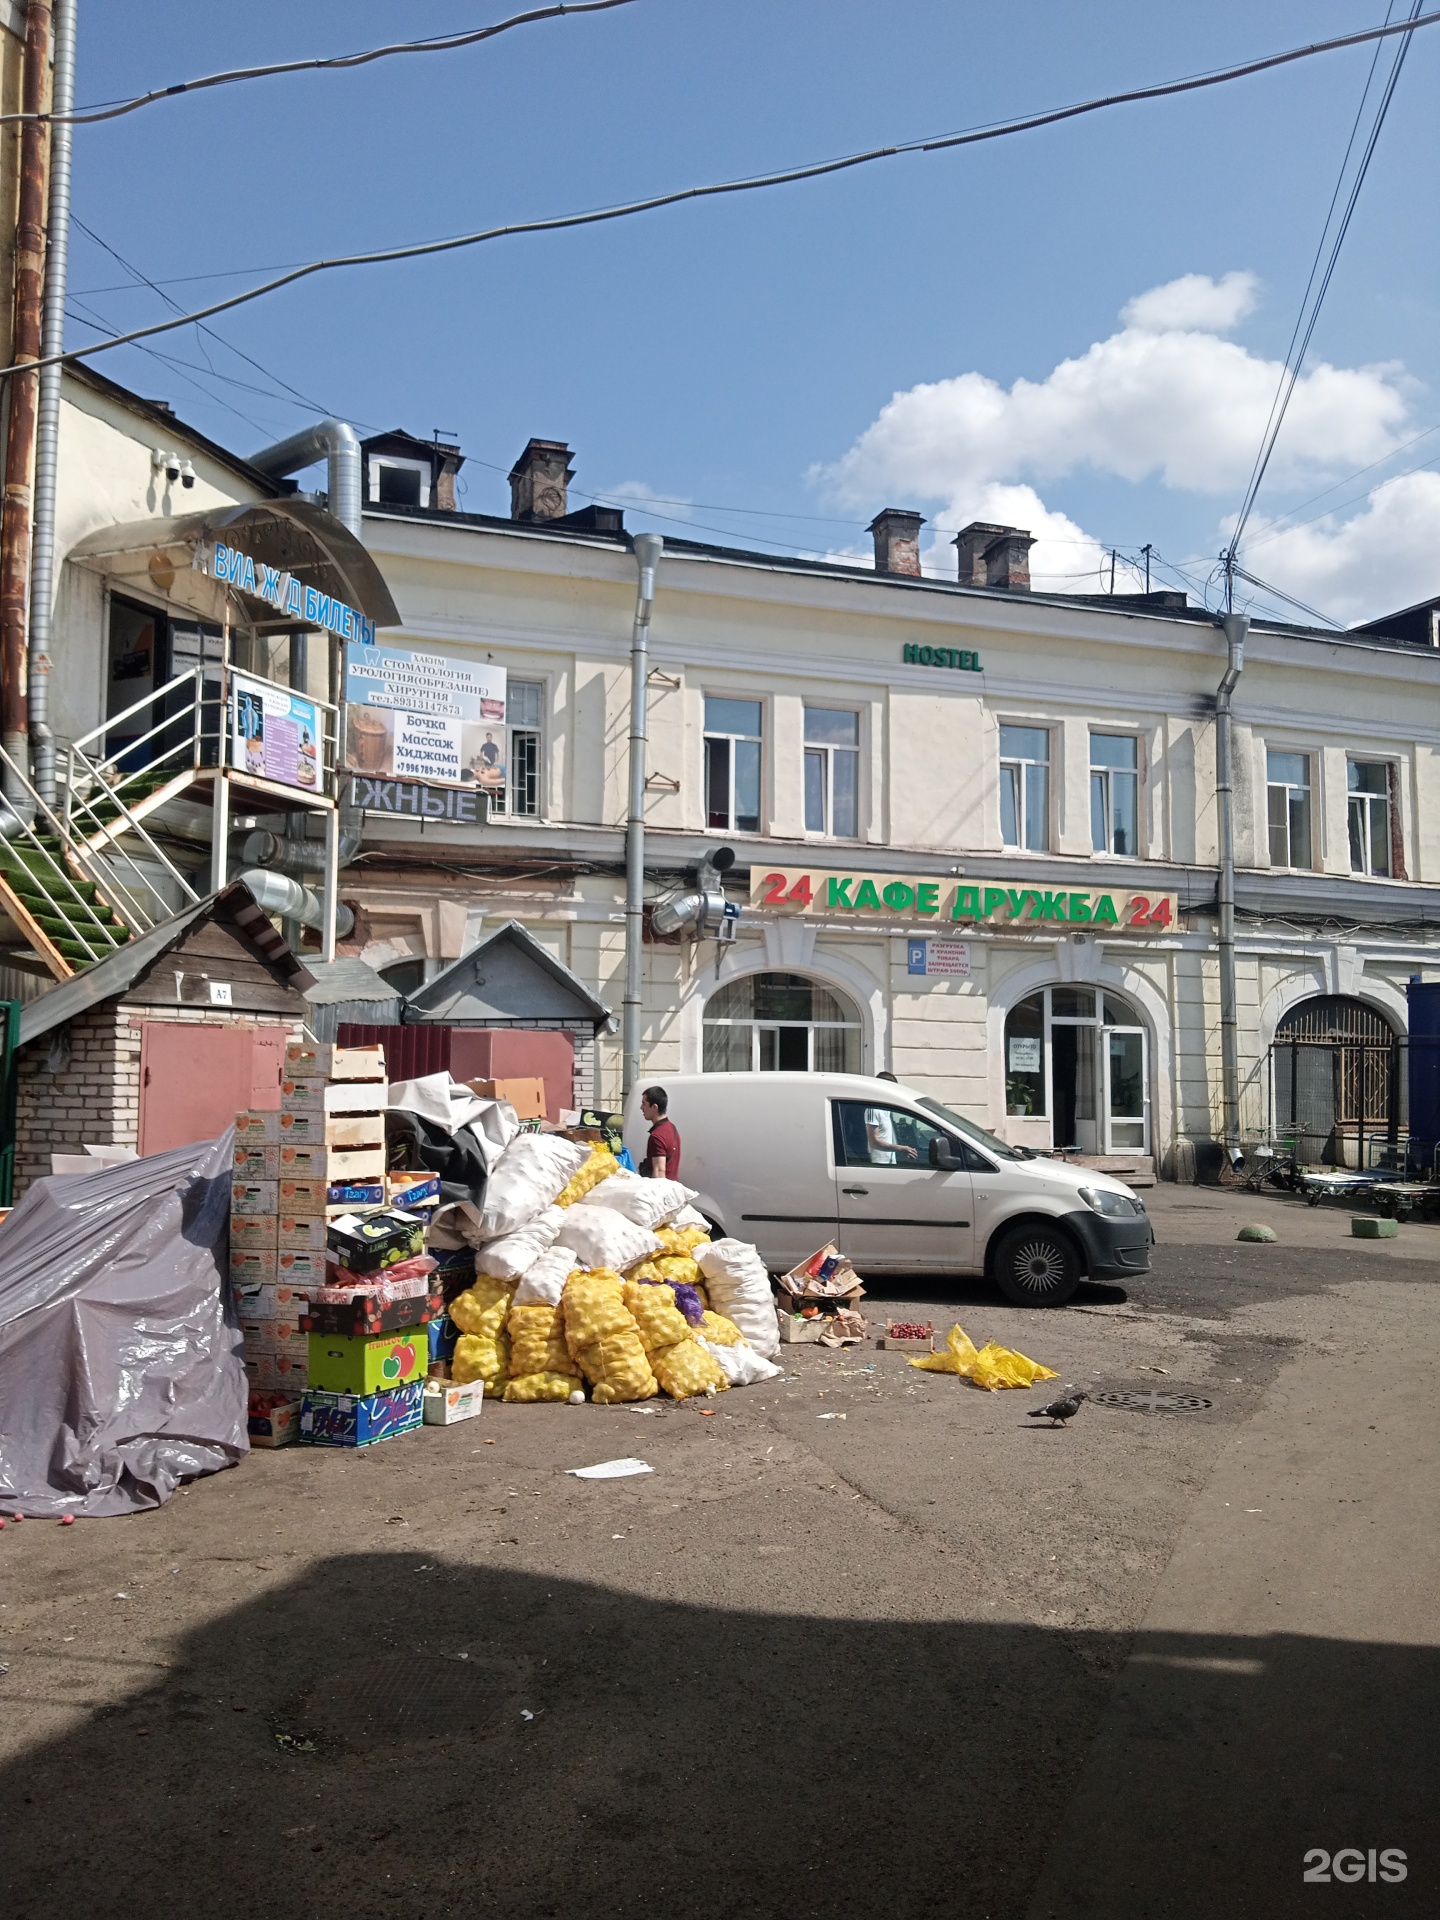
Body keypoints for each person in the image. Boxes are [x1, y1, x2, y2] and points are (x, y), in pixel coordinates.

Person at [865, 1073, 916, 1164]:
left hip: (891, 1160)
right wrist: (900, 1148)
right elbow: (873, 1142)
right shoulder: (873, 1110)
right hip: (879, 1162)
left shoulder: (887, 1109)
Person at [640, 1086, 681, 1181]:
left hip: (663, 1192)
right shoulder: (672, 1128)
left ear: (654, 1107)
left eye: (644, 1104)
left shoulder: (657, 1136)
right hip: (672, 1188)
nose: (641, 1108)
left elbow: (659, 1172)